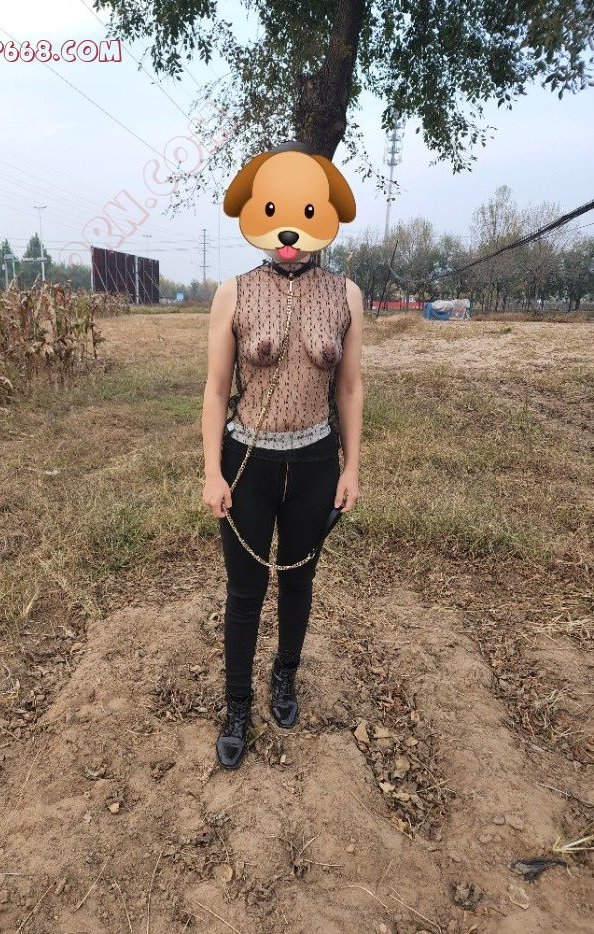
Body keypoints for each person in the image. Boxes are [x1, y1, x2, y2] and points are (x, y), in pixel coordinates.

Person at [201, 141, 364, 769]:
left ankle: (285, 676)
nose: (290, 232)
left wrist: (352, 466)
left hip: (316, 462)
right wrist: (211, 471)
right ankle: (237, 703)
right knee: (245, 592)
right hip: (248, 463)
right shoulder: (233, 293)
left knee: (299, 582)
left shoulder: (345, 295)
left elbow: (349, 388)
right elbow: (216, 389)